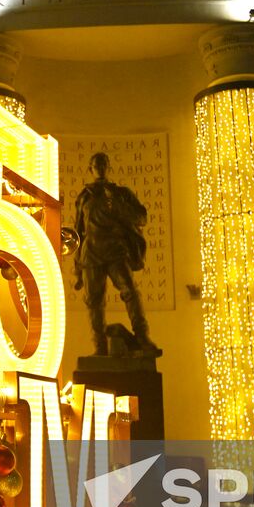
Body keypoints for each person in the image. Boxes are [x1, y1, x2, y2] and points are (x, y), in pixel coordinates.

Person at [72, 151, 157, 356]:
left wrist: (117, 203)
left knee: (130, 290)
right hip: (91, 253)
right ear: (91, 169)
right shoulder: (84, 197)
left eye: (103, 165)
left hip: (116, 250)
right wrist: (77, 267)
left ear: (108, 168)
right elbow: (78, 232)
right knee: (94, 301)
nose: (100, 169)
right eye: (96, 165)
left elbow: (141, 218)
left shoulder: (121, 193)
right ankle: (100, 347)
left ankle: (142, 336)